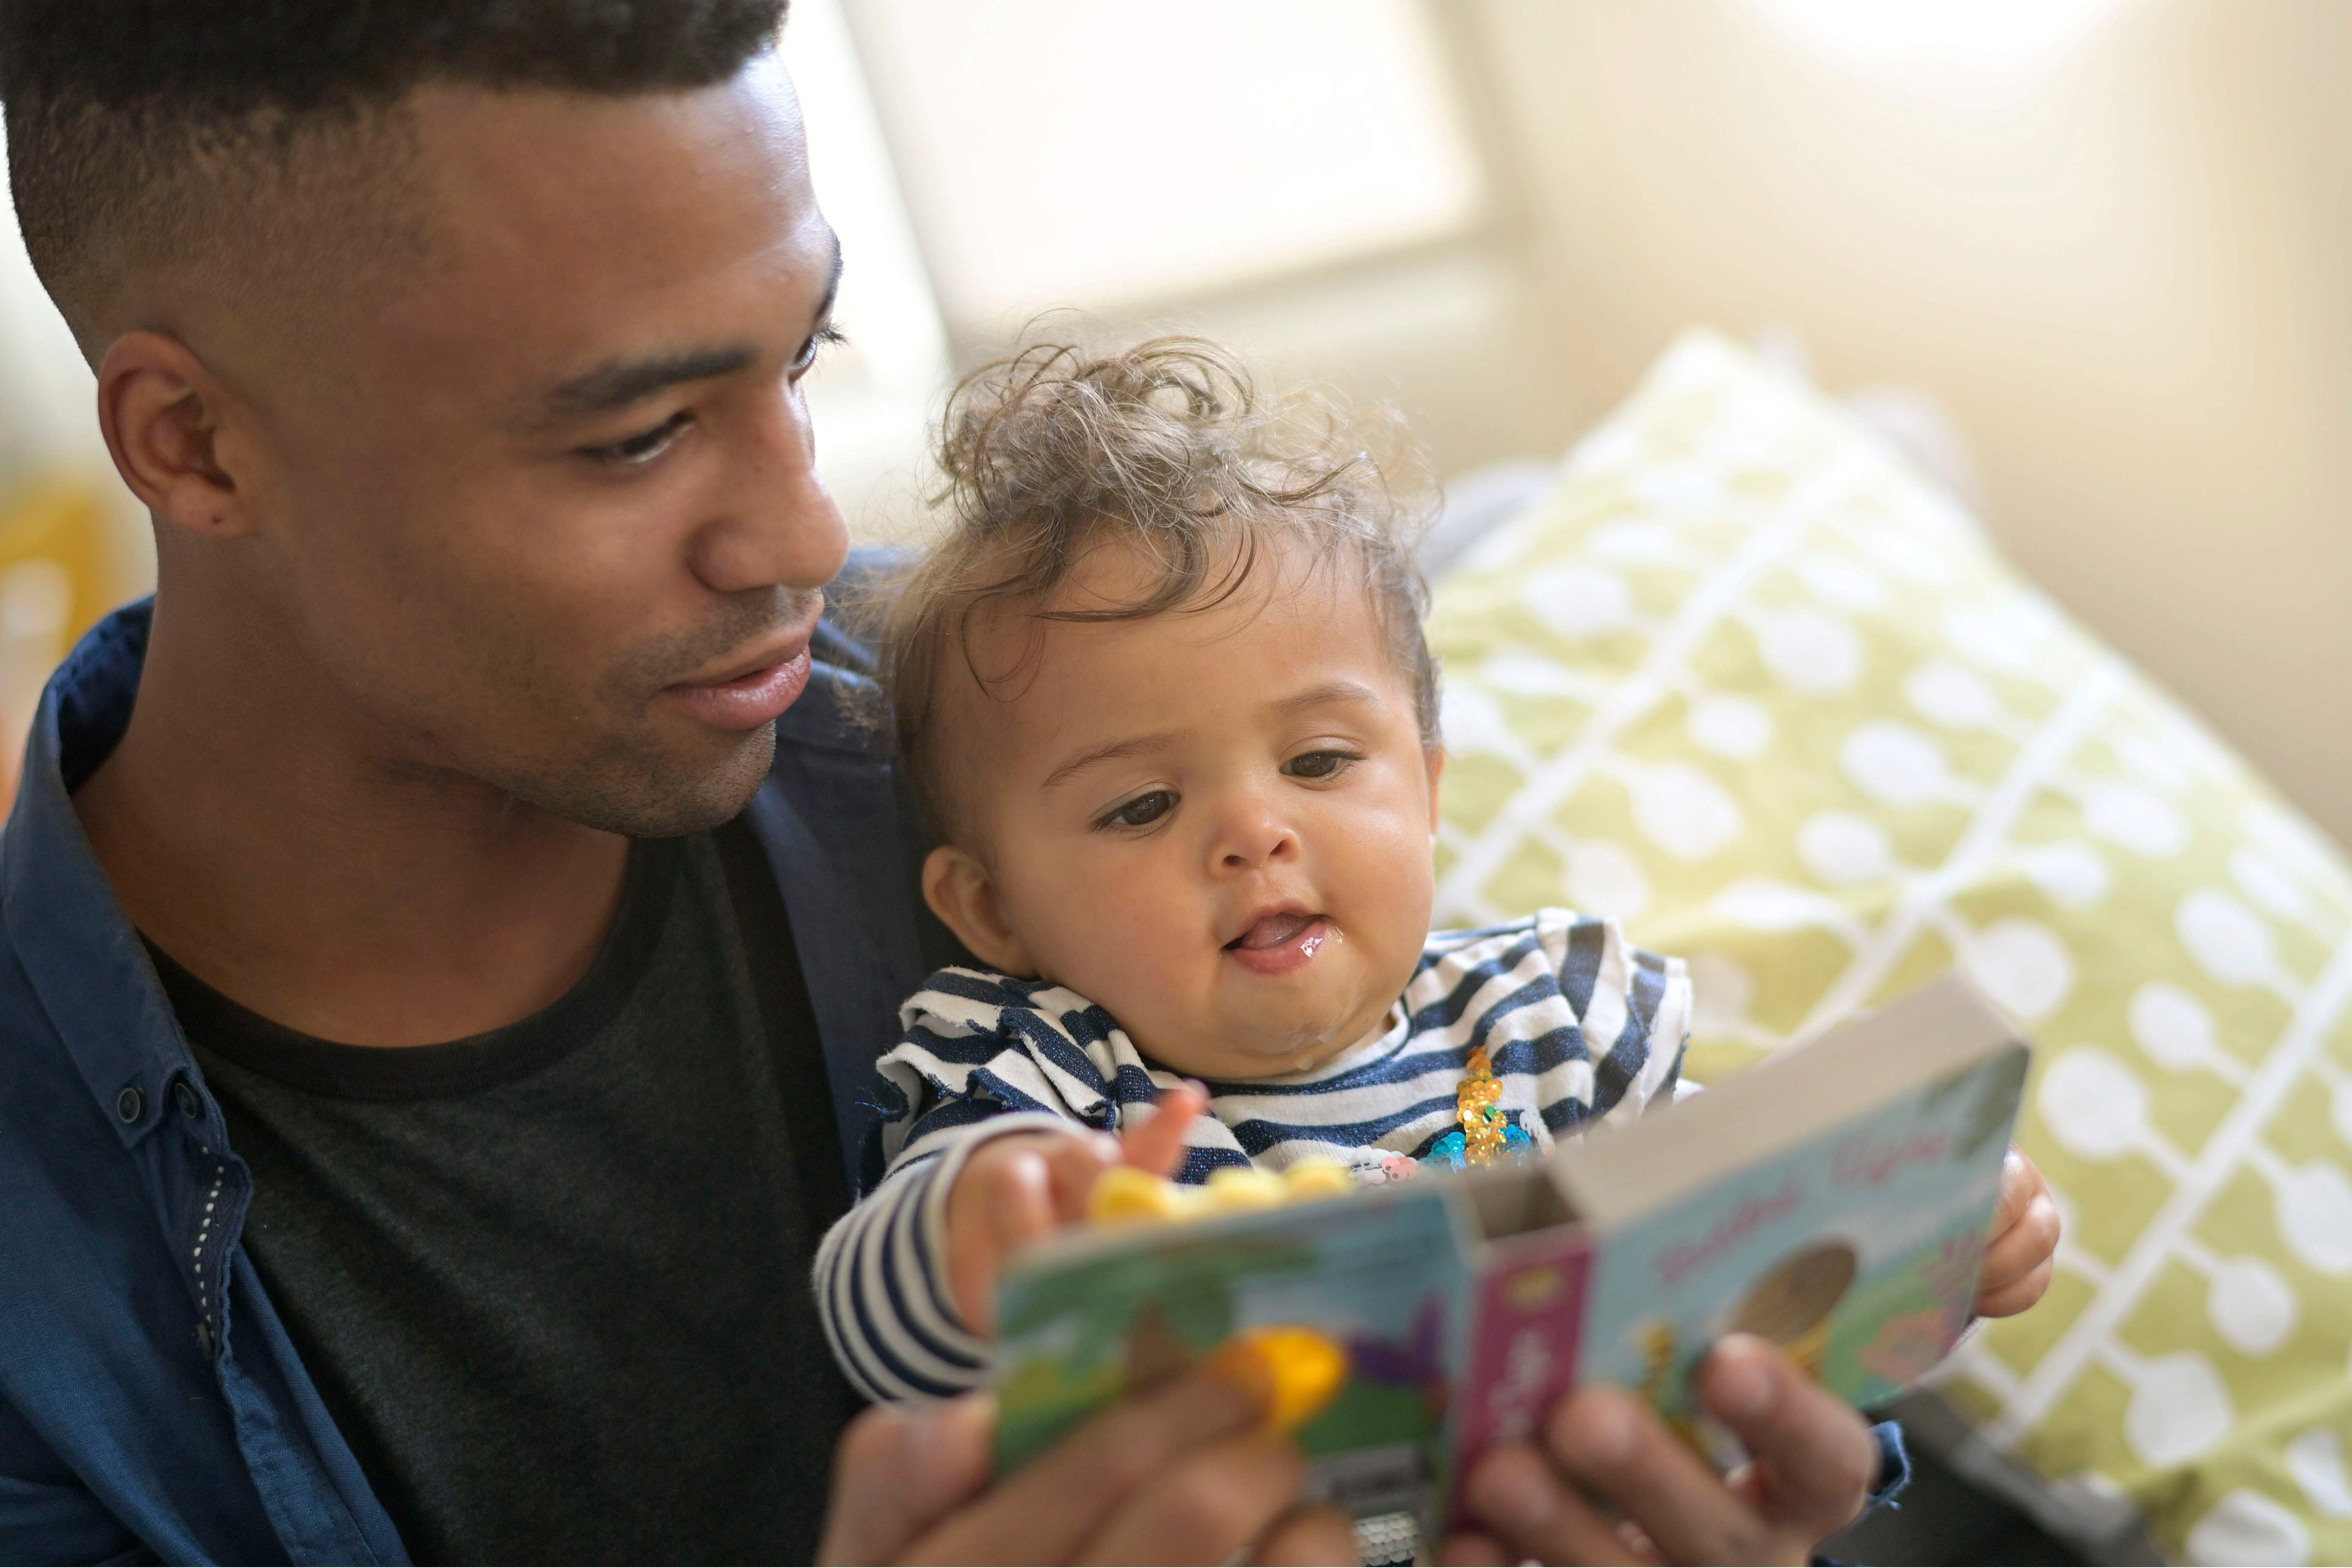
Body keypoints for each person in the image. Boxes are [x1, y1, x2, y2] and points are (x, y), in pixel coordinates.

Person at [0, 3, 2053, 1563]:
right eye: (634, 440)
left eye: (797, 366)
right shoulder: (40, 1300)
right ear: (190, 445)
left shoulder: (1037, 710)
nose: (805, 538)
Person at [812, 340, 2056, 1417]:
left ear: (1428, 788)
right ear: (995, 912)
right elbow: (879, 1338)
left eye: (1318, 760)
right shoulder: (1050, 1085)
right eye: (1143, 804)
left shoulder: (1549, 1026)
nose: (1254, 835)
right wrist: (978, 1230)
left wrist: (1926, 1250)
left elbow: (1745, 1300)